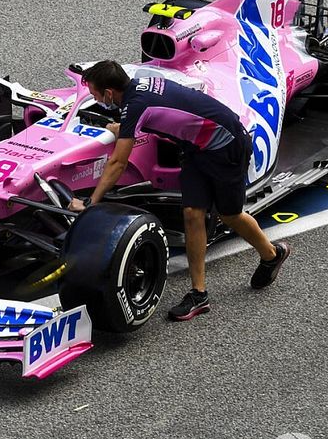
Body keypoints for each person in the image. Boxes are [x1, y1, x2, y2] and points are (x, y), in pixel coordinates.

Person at [68, 60, 290, 322]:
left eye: (95, 94)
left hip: (227, 145)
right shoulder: (138, 87)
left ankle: (272, 255)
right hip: (195, 148)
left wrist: (91, 202)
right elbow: (158, 112)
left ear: (108, 93)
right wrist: (122, 128)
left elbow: (118, 162)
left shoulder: (135, 105)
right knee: (192, 214)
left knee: (230, 215)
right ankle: (199, 294)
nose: (95, 99)